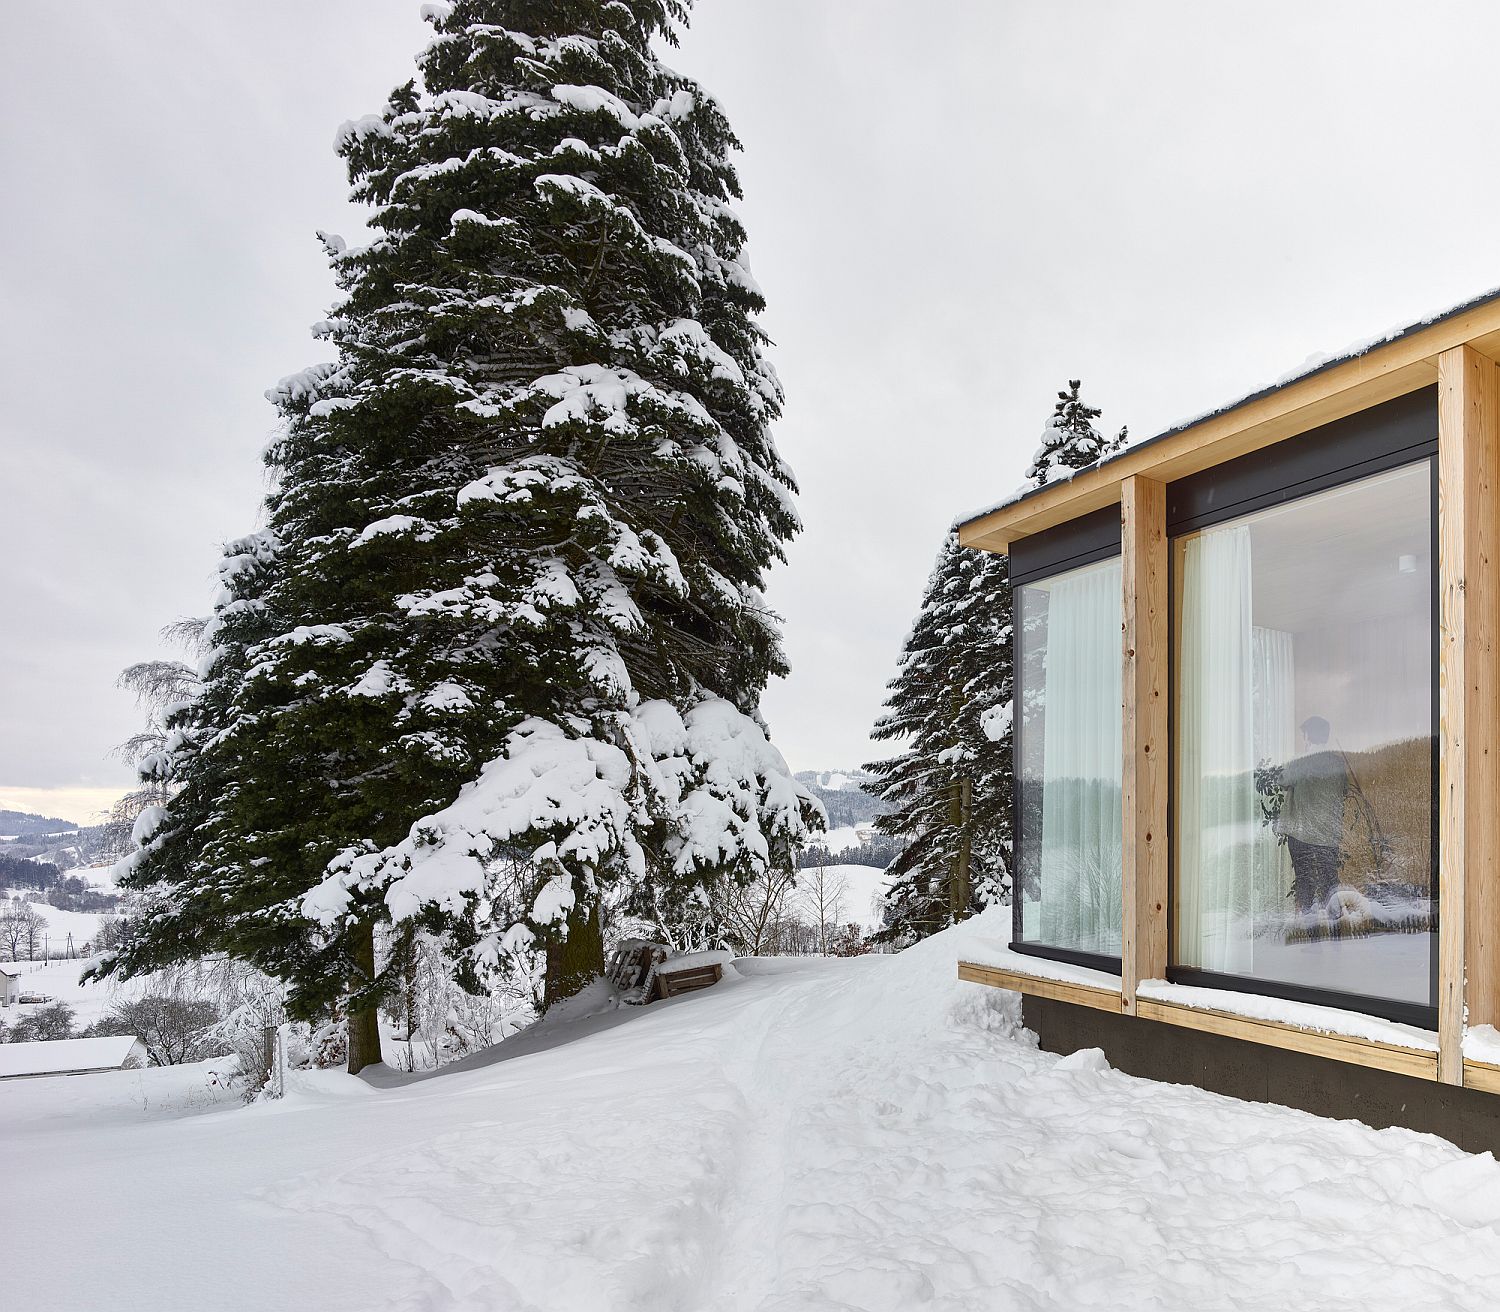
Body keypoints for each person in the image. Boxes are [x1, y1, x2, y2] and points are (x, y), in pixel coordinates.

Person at [1275, 716, 1351, 914]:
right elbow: (1344, 790)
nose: (1303, 739)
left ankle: (1312, 935)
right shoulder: (1337, 763)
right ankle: (1335, 931)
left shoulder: (1302, 762)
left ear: (1309, 736)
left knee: (1305, 882)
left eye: (1304, 735)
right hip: (1328, 834)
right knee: (1330, 882)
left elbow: (1282, 780)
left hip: (1303, 834)